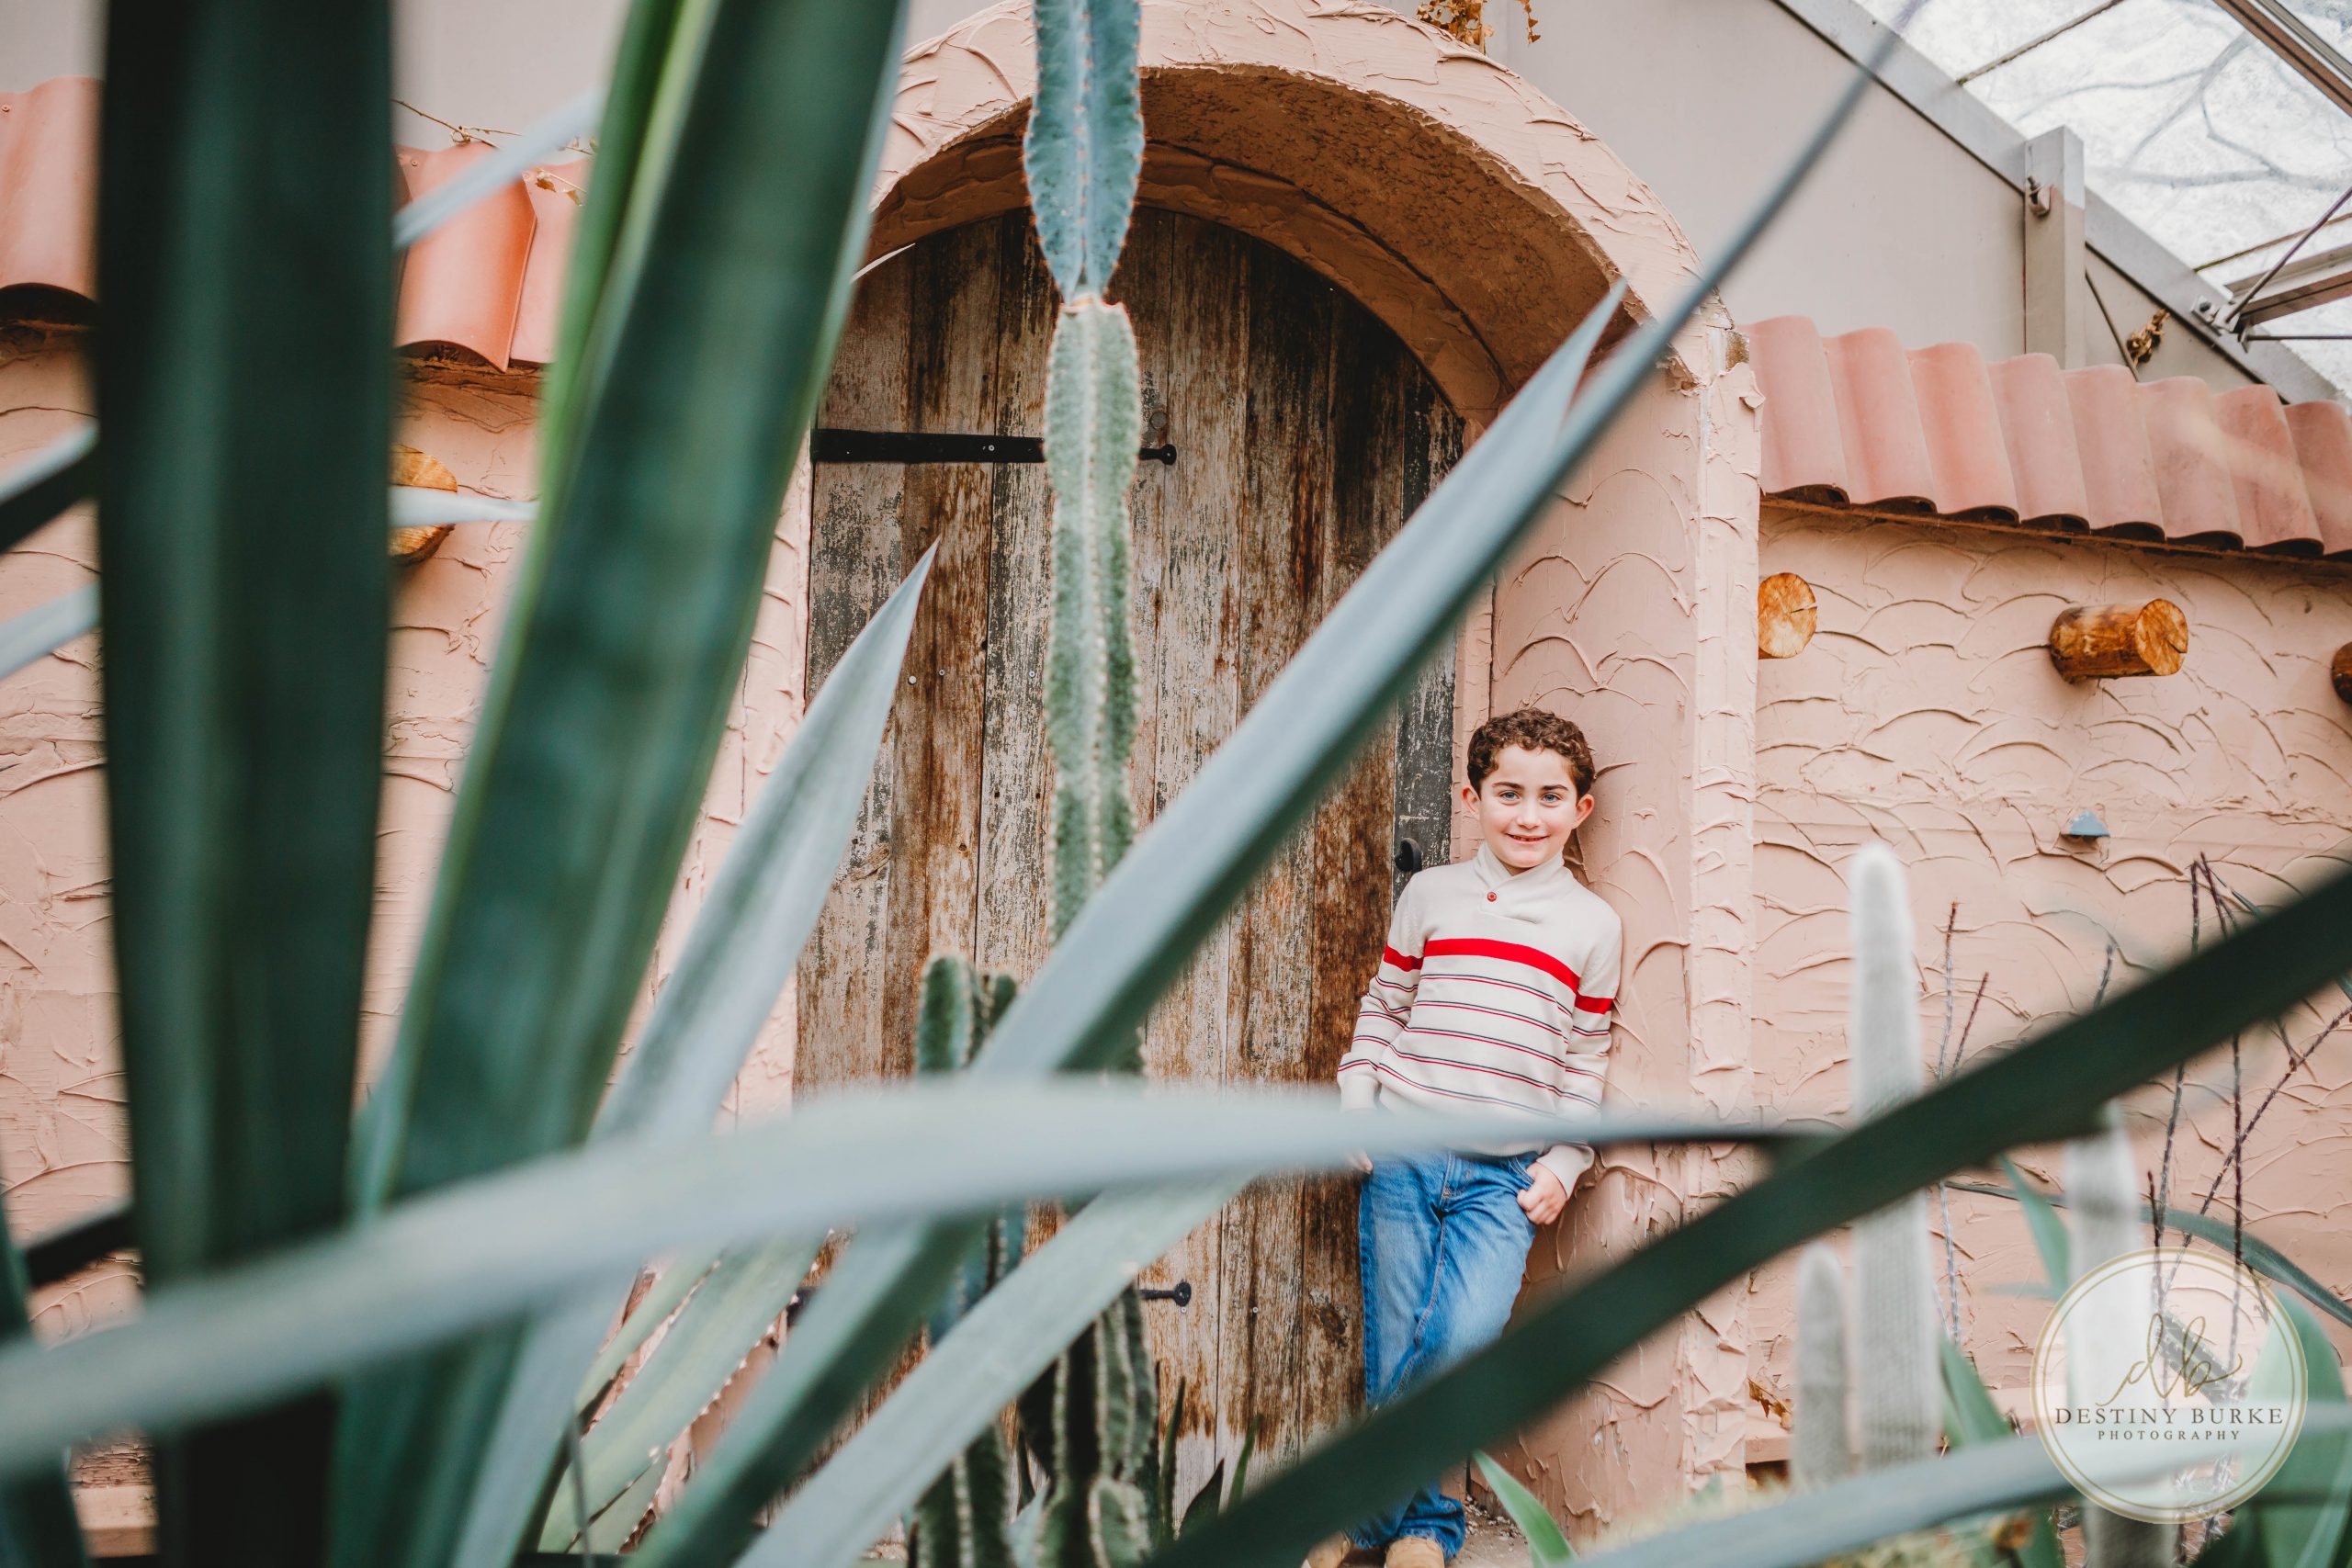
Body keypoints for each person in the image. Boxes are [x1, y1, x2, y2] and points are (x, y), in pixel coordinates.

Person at [1305, 706, 1623, 1568]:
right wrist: (1357, 1098)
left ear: (1580, 809)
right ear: (1471, 796)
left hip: (1505, 1177)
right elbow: (1385, 1006)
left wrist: (1565, 1158)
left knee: (1455, 1344)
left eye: (1550, 796)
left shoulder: (1593, 927)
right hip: (1404, 1149)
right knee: (1396, 1340)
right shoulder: (1433, 895)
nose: (1528, 814)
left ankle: (1360, 1512)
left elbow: (1584, 1061)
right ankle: (1425, 1528)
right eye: (1508, 792)